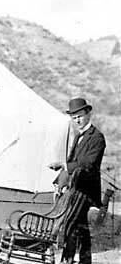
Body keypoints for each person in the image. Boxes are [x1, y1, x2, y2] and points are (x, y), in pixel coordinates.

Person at [49, 97, 106, 264]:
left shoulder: (97, 137)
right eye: (74, 118)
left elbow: (88, 164)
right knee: (80, 226)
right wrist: (59, 185)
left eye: (80, 116)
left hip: (86, 190)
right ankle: (85, 260)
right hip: (76, 188)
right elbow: (70, 163)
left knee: (71, 222)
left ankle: (66, 260)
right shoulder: (78, 137)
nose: (77, 121)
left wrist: (63, 165)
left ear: (88, 114)